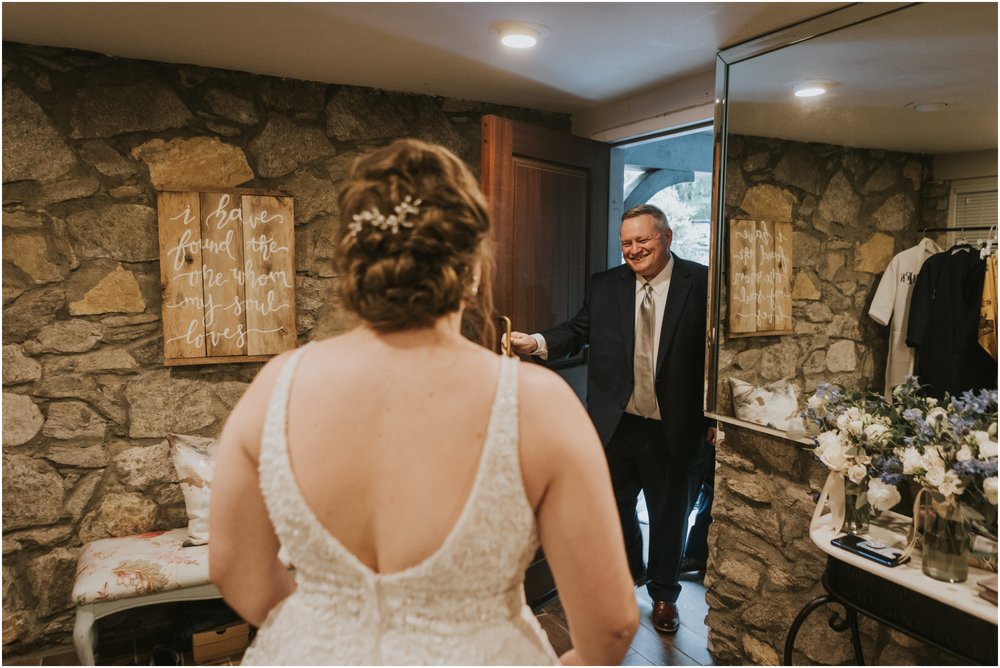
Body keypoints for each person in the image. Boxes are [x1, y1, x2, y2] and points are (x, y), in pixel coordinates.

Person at [209, 139, 638, 665]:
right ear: (474, 266)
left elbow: (237, 573)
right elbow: (611, 628)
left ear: (352, 264)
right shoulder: (538, 403)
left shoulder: (276, 386)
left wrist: (328, 632)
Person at [508, 204, 715, 634]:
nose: (634, 249)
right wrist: (536, 342)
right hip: (615, 425)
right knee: (611, 509)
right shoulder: (605, 285)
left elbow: (719, 355)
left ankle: (663, 594)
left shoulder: (703, 283)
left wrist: (715, 416)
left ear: (667, 237)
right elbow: (577, 330)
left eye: (643, 240)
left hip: (673, 428)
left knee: (669, 517)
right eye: (627, 243)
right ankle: (630, 571)